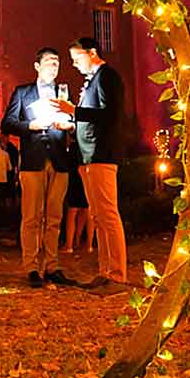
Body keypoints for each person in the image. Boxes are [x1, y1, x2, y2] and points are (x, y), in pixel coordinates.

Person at [53, 37, 128, 287]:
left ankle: (116, 274)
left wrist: (74, 111)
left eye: (76, 58)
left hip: (101, 154)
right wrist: (72, 124)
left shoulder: (107, 77)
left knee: (107, 214)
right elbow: (93, 118)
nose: (74, 65)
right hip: (88, 156)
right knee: (97, 215)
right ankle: (106, 271)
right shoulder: (93, 80)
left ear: (92, 52)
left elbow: (110, 114)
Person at [2, 47, 75, 287]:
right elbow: (8, 123)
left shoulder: (62, 93)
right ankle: (31, 266)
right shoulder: (23, 92)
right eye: (49, 62)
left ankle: (52, 266)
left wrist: (70, 125)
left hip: (58, 159)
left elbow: (74, 120)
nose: (53, 67)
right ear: (37, 66)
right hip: (33, 160)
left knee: (55, 217)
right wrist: (31, 125)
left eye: (57, 63)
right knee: (31, 216)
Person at [61, 141, 94, 255]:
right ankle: (87, 244)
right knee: (87, 211)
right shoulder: (88, 143)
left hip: (75, 179)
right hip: (88, 176)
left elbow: (68, 162)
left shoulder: (74, 147)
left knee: (72, 212)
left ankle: (69, 245)